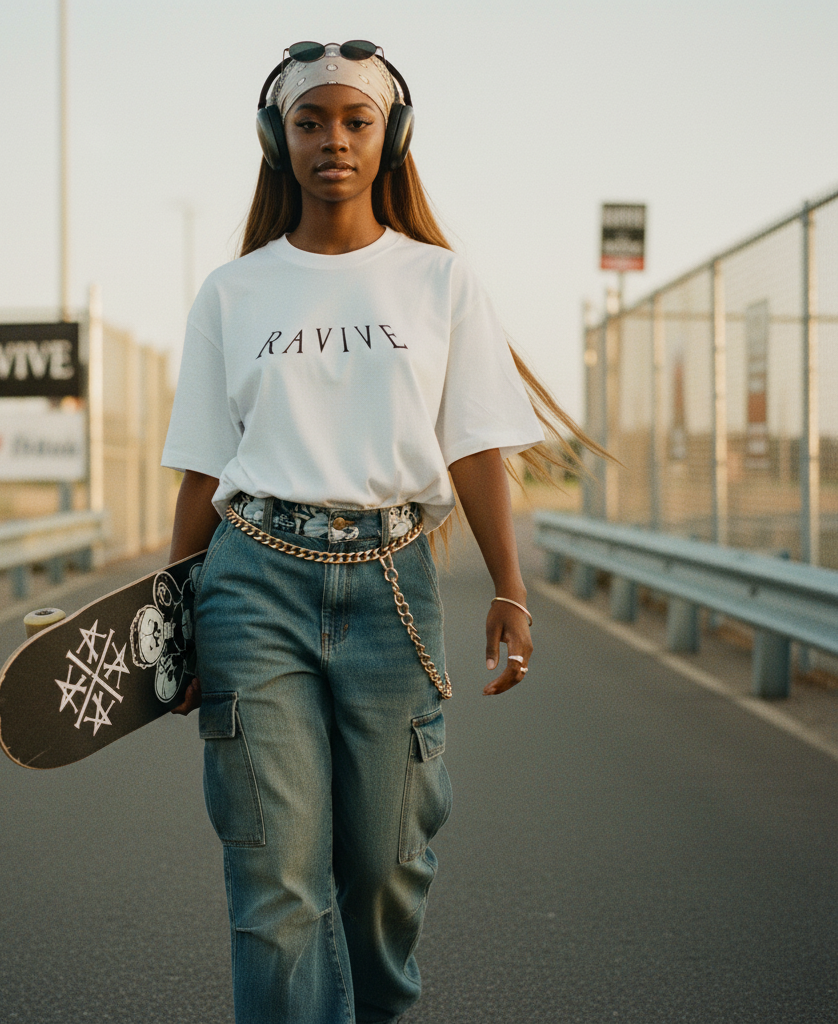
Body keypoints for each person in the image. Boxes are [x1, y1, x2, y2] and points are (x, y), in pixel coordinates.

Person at [161, 40, 596, 1024]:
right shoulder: (233, 293)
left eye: (354, 121)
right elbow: (199, 467)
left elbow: (477, 447)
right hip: (251, 580)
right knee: (274, 877)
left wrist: (510, 590)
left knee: (386, 867)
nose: (333, 141)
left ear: (389, 136)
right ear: (278, 138)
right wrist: (172, 619)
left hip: (391, 588)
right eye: (310, 121)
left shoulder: (439, 282)